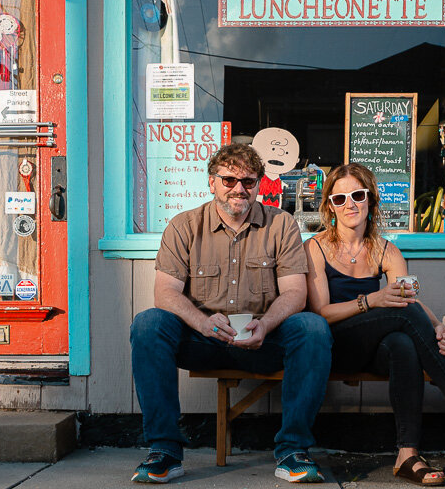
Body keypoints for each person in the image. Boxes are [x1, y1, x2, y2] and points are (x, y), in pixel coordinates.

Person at [304, 163, 445, 486]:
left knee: (404, 343)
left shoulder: (386, 250)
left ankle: (407, 455)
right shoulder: (315, 248)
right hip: (335, 346)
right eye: (339, 199)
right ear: (329, 205)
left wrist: (438, 327)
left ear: (370, 200)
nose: (349, 204)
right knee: (400, 312)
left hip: (374, 349)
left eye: (357, 195)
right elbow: (320, 313)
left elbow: (408, 299)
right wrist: (371, 301)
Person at [130, 142, 333, 484]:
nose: (239, 189)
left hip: (262, 340)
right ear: (211, 182)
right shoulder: (183, 226)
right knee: (148, 324)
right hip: (203, 340)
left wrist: (266, 325)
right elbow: (165, 292)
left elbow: (296, 293)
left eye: (249, 182)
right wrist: (203, 323)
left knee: (312, 328)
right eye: (228, 180)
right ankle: (164, 450)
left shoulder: (281, 225)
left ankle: (293, 450)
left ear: (258, 185)